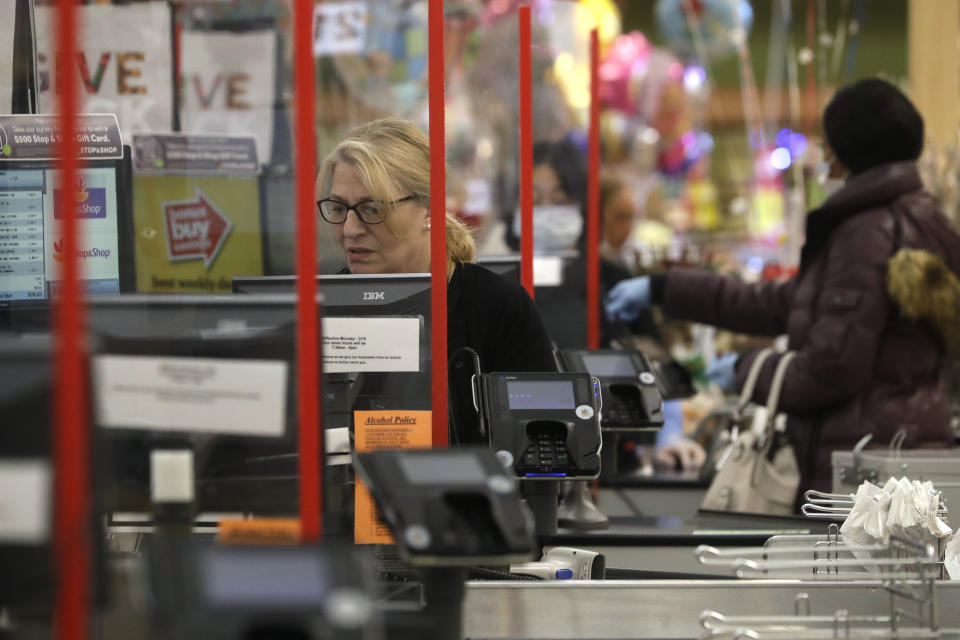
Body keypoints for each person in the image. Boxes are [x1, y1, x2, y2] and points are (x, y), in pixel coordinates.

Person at [606, 78, 960, 496]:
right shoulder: (922, 219)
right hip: (904, 452)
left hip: (862, 473)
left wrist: (747, 371)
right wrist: (667, 289)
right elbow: (786, 303)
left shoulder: (869, 232)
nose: (824, 160)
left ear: (850, 152)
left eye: (828, 148)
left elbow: (831, 369)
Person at [315, 117, 557, 374]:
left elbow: (539, 414)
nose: (350, 229)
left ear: (430, 208)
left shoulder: (499, 309)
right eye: (339, 208)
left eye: (373, 209)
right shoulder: (322, 313)